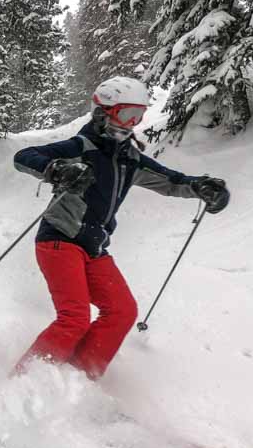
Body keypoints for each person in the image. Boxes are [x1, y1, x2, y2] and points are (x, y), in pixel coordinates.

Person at [13, 76, 230, 379]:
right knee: (74, 318)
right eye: (126, 114)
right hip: (59, 240)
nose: (132, 123)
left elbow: (171, 180)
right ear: (103, 112)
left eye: (138, 116)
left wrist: (200, 187)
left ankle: (79, 381)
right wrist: (57, 169)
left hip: (95, 247)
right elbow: (23, 157)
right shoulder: (81, 147)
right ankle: (24, 382)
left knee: (122, 311)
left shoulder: (130, 158)